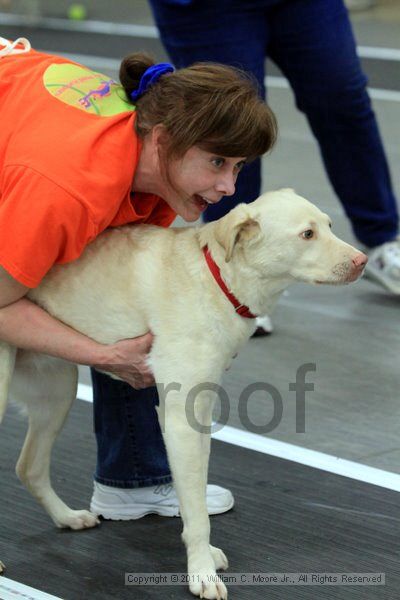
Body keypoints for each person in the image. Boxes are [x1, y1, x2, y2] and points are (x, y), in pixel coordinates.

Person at [0, 38, 277, 518]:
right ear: (163, 140)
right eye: (217, 162)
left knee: (127, 301)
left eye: (238, 168)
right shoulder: (66, 192)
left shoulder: (153, 171)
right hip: (41, 172)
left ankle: (134, 478)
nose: (229, 187)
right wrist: (105, 356)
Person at [149, 0, 400, 305]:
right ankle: (237, 280)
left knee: (342, 97)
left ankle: (381, 240)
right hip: (207, 8)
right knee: (232, 127)